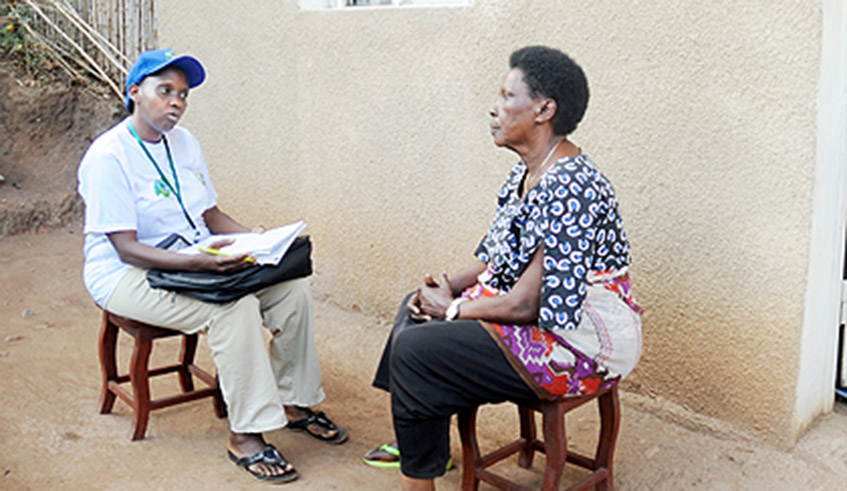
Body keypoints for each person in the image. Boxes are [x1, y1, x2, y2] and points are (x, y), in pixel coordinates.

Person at [364, 46, 642, 490]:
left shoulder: (573, 185)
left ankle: (419, 473)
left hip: (578, 338)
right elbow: (494, 257)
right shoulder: (526, 172)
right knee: (412, 310)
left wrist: (452, 310)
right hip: (532, 312)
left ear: (543, 110)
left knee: (419, 351)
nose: (494, 109)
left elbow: (530, 303)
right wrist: (444, 287)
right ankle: (420, 439)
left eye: (506, 96)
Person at [77, 49, 347, 484]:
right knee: (231, 307)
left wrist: (255, 241)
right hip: (127, 273)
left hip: (194, 258)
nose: (176, 103)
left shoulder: (185, 143)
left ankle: (294, 401)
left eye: (182, 95)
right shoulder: (108, 156)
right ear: (135, 93)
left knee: (291, 289)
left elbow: (210, 215)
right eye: (164, 91)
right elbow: (126, 248)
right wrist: (196, 262)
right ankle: (245, 436)